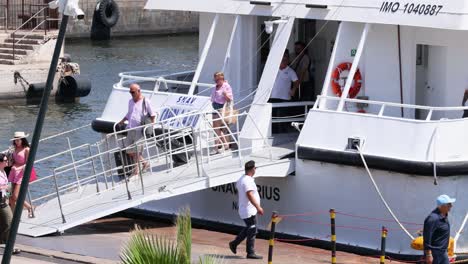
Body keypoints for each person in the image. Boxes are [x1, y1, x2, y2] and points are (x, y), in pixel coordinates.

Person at [229, 160, 264, 260]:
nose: (255, 170)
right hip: (249, 210)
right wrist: (258, 207)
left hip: (246, 209)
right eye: (255, 168)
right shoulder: (247, 181)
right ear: (252, 169)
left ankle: (234, 244)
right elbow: (249, 194)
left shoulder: (242, 179)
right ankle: (250, 252)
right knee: (252, 229)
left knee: (250, 228)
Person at [119, 83, 156, 176]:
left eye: (133, 92)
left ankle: (136, 171)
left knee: (136, 150)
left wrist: (151, 127)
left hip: (140, 130)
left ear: (139, 91)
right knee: (129, 150)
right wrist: (122, 121)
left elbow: (152, 115)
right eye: (130, 92)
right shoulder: (130, 102)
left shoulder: (145, 101)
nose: (131, 94)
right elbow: (129, 113)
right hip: (130, 128)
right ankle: (145, 163)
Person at [268, 54, 300, 133]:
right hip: (273, 96)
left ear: (288, 61)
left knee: (283, 116)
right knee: (273, 115)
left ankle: (283, 131)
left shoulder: (290, 71)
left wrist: (294, 89)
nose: (283, 62)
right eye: (282, 60)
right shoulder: (273, 69)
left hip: (285, 97)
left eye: (285, 60)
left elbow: (296, 82)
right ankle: (274, 131)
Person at [8, 132, 36, 218]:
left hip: (21, 173)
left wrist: (22, 167)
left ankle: (30, 207)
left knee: (15, 196)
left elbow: (29, 162)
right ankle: (12, 217)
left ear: (22, 140)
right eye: (15, 140)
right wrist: (10, 155)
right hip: (13, 172)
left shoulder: (26, 149)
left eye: (18, 140)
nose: (17, 142)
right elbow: (11, 162)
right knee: (11, 197)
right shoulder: (14, 149)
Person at [423, 194, 456, 264]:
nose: (451, 206)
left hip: (443, 252)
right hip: (435, 254)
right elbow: (427, 238)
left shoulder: (444, 215)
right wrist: (428, 255)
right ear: (442, 206)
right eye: (449, 204)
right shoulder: (432, 218)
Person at [211, 72, 233, 153]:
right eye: (215, 80)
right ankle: (225, 144)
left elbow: (229, 99)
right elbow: (214, 98)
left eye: (218, 79)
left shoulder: (226, 86)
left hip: (222, 108)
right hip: (215, 108)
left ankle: (216, 148)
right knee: (217, 129)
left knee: (217, 129)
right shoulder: (216, 87)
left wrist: (225, 95)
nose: (217, 81)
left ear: (222, 79)